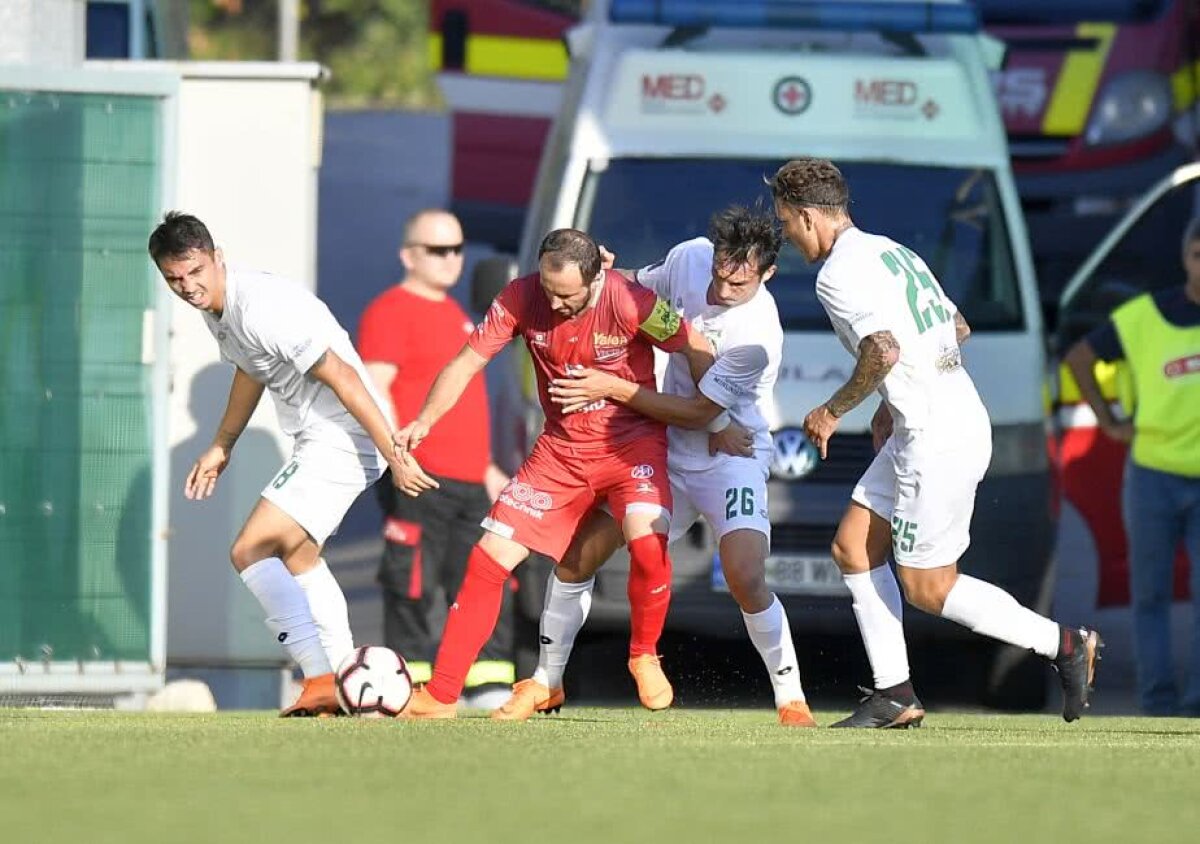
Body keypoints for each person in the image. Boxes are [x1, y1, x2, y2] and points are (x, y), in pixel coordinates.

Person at [768, 158, 1102, 727]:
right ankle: (894, 694)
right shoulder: (893, 251)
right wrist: (887, 403)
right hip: (932, 418)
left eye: (786, 224)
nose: (788, 238)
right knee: (854, 547)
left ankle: (1062, 643)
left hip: (934, 435)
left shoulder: (837, 274)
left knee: (928, 585)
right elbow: (957, 328)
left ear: (806, 215)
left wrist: (833, 409)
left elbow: (883, 351)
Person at [492, 205, 817, 726]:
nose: (724, 288)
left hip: (728, 455)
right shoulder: (689, 257)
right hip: (663, 447)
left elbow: (701, 412)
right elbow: (633, 291)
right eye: (720, 274)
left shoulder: (757, 337)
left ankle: (792, 698)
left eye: (741, 280)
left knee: (745, 574)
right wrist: (600, 272)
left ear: (768, 274)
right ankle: (547, 680)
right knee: (578, 557)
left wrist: (615, 388)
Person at [392, 228, 716, 719]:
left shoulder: (633, 302)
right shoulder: (520, 298)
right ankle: (440, 695)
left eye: (566, 295)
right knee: (488, 559)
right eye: (548, 289)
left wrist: (715, 417)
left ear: (596, 278)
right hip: (560, 452)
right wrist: (424, 421)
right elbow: (465, 364)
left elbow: (698, 348)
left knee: (647, 542)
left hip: (632, 447)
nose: (555, 303)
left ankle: (644, 655)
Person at [149, 212, 435, 717]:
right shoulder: (221, 311)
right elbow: (250, 370)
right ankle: (352, 683)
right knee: (299, 558)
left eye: (196, 271)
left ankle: (320, 679)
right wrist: (222, 444)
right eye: (175, 278)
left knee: (251, 548)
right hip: (322, 437)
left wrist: (395, 454)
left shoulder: (261, 308)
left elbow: (346, 377)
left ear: (218, 258)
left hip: (344, 435)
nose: (188, 287)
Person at [357, 209, 515, 708]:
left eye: (457, 249)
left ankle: (483, 686)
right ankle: (407, 689)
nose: (452, 259)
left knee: (482, 581)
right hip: (419, 479)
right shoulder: (390, 310)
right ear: (409, 255)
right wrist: (396, 458)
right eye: (438, 249)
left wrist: (488, 469)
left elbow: (461, 405)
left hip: (470, 482)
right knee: (414, 587)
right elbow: (374, 390)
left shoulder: (457, 316)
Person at [1065, 219, 1200, 716]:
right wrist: (1110, 421)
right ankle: (1159, 705)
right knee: (1150, 596)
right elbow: (1080, 358)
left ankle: (1196, 708)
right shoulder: (1144, 317)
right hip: (1153, 474)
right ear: (1185, 258)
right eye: (1198, 256)